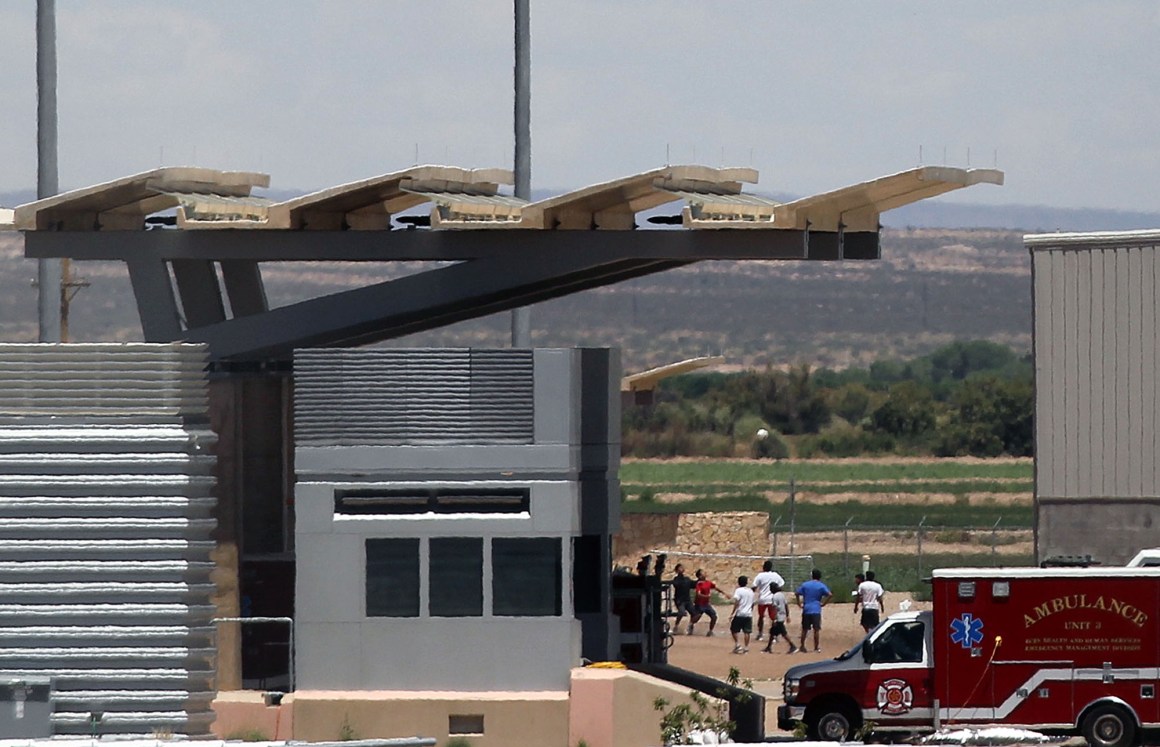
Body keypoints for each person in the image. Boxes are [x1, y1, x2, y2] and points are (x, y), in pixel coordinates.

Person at [795, 568, 833, 653]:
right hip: (816, 609)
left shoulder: (805, 585)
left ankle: (802, 646)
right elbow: (830, 594)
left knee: (805, 629)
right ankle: (816, 647)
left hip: (806, 608)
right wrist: (824, 603)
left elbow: (797, 593)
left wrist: (798, 603)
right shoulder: (821, 585)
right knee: (816, 629)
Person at [751, 560, 785, 641]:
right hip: (772, 599)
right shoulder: (775, 575)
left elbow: (754, 587)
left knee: (761, 617)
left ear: (764, 567)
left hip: (762, 599)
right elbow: (781, 585)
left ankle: (760, 634)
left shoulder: (760, 576)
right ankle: (774, 636)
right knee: (773, 618)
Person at [761, 582, 797, 654]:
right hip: (782, 616)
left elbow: (774, 608)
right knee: (772, 632)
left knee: (783, 633)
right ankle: (769, 647)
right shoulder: (781, 595)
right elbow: (786, 605)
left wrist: (774, 619)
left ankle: (793, 646)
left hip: (778, 617)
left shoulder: (775, 596)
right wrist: (787, 615)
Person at [688, 568, 720, 636]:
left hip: (706, 604)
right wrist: (706, 596)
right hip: (699, 604)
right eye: (703, 573)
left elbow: (715, 587)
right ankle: (691, 624)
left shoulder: (708, 582)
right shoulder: (699, 584)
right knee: (698, 616)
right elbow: (698, 594)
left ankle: (710, 631)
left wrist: (725, 593)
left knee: (714, 616)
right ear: (700, 576)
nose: (705, 573)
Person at [729, 575, 755, 654]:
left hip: (740, 613)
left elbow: (737, 602)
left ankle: (737, 644)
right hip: (748, 614)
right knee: (747, 632)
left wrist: (732, 613)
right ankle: (746, 647)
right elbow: (753, 603)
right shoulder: (750, 591)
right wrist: (750, 610)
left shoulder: (738, 590)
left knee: (733, 629)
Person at [669, 564, 697, 634]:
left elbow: (694, 585)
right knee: (681, 612)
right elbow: (676, 585)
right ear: (677, 570)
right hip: (680, 600)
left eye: (682, 567)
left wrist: (699, 581)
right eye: (680, 568)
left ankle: (690, 626)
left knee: (695, 613)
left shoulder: (687, 579)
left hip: (687, 600)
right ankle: (676, 626)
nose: (682, 569)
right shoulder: (676, 579)